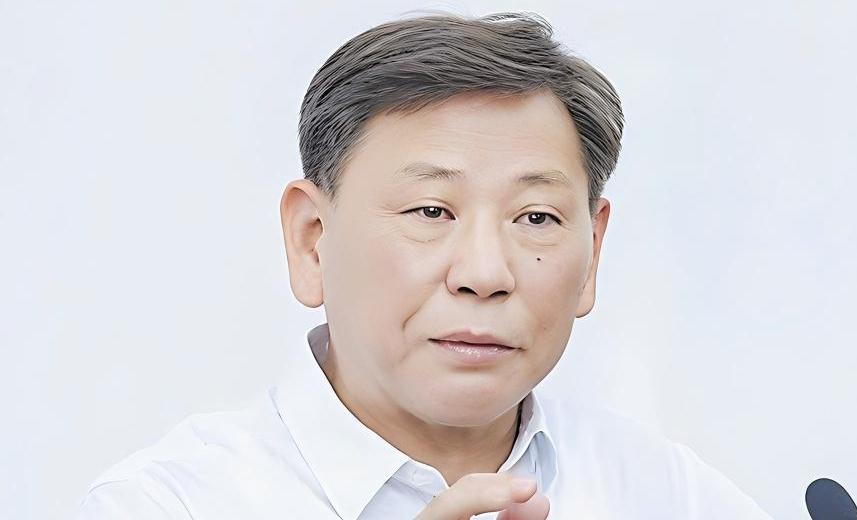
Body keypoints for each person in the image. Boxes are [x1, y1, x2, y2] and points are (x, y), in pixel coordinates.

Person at [77, 11, 774, 519]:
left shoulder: (669, 495)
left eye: (536, 218)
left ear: (592, 253)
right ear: (312, 239)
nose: (485, 273)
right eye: (431, 211)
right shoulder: (169, 503)